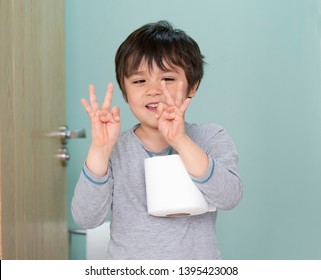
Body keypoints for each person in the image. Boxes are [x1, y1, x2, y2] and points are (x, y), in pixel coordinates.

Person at [71, 20, 243, 260]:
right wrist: (100, 150)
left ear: (192, 86)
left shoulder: (210, 137)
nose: (154, 90)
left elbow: (229, 197)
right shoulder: (115, 148)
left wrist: (180, 140)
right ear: (125, 92)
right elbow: (86, 218)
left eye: (168, 79)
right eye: (139, 81)